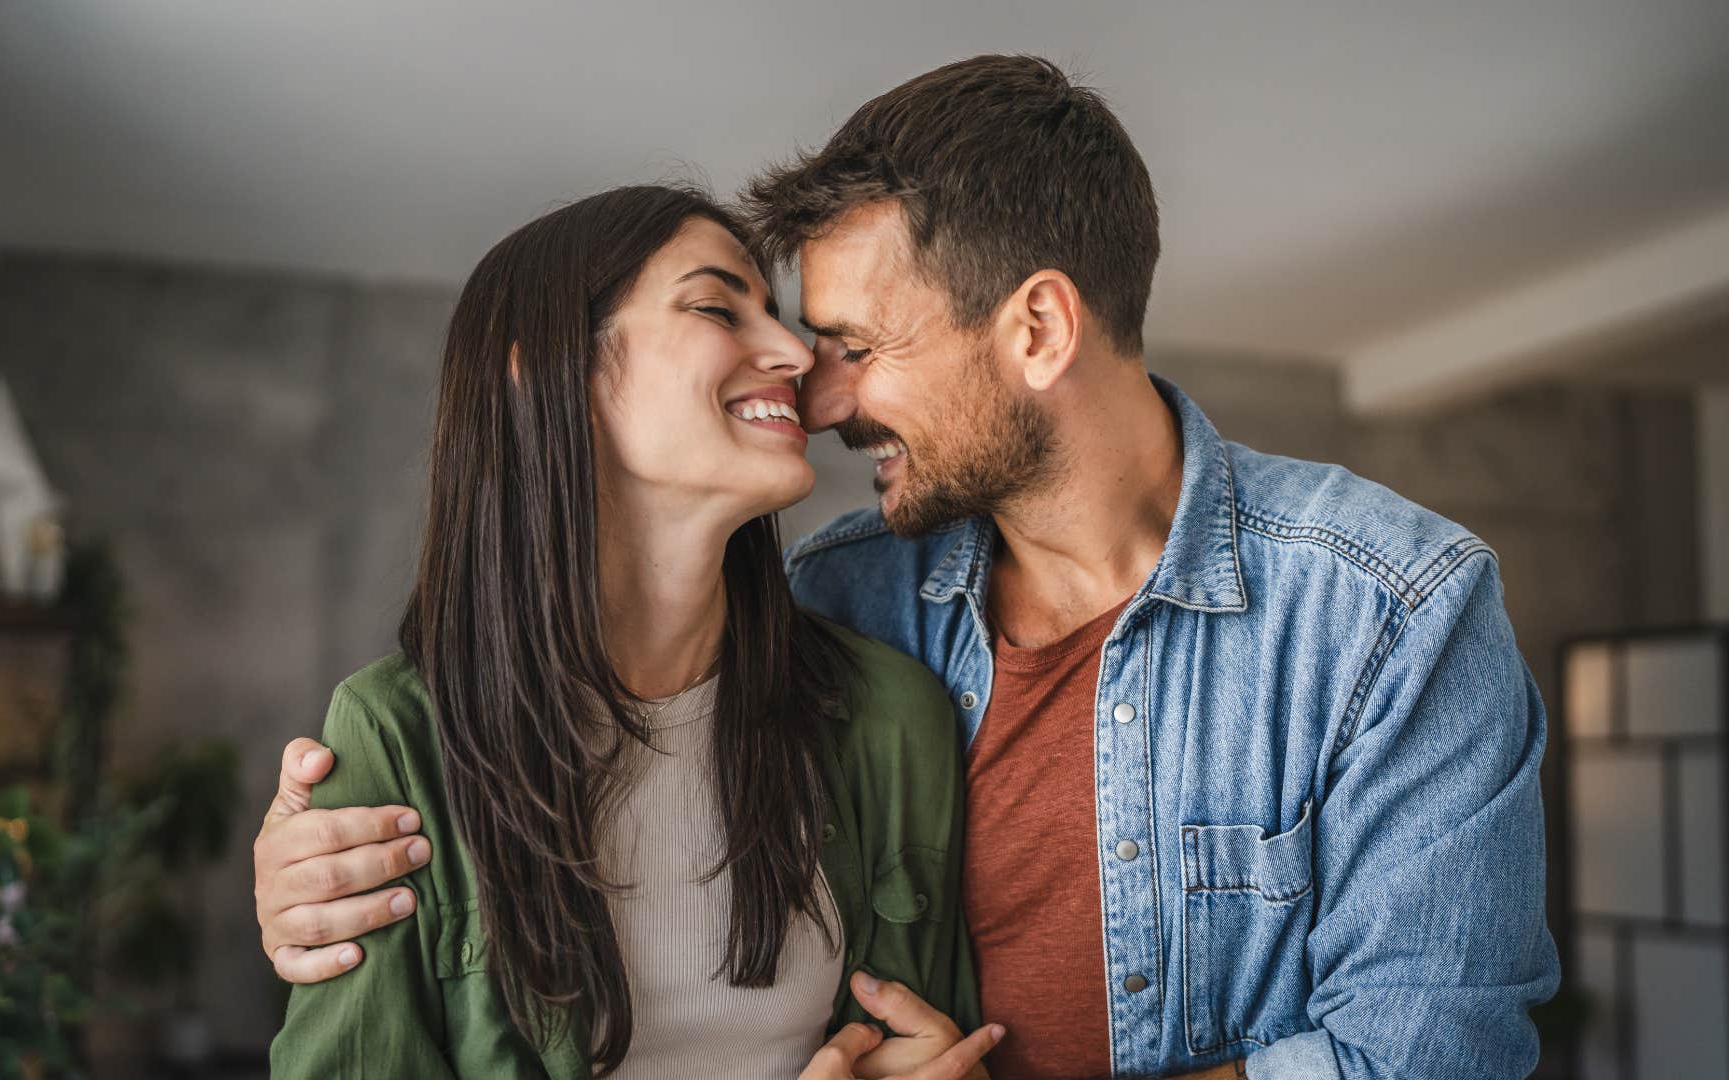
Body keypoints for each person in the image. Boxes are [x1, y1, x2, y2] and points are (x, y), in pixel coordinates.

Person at [258, 56, 1559, 1079]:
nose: (814, 395)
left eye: (853, 346)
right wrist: (314, 885)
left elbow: (1427, 1055)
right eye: (768, 327)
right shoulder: (835, 604)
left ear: (1039, 327)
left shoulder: (1390, 614)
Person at [265, 185, 999, 1079]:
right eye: (715, 307)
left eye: (772, 313)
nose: (795, 354)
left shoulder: (890, 718)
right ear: (544, 368)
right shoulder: (395, 737)